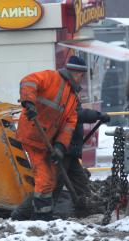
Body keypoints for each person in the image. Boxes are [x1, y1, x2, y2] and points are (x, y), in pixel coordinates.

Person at [14, 55, 86, 221]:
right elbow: (29, 81)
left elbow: (69, 125)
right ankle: (42, 217)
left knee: (51, 180)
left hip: (46, 141)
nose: (82, 79)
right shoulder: (51, 77)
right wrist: (29, 103)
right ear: (77, 73)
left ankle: (35, 215)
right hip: (32, 134)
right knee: (45, 179)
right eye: (81, 75)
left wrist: (60, 147)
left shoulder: (73, 98)